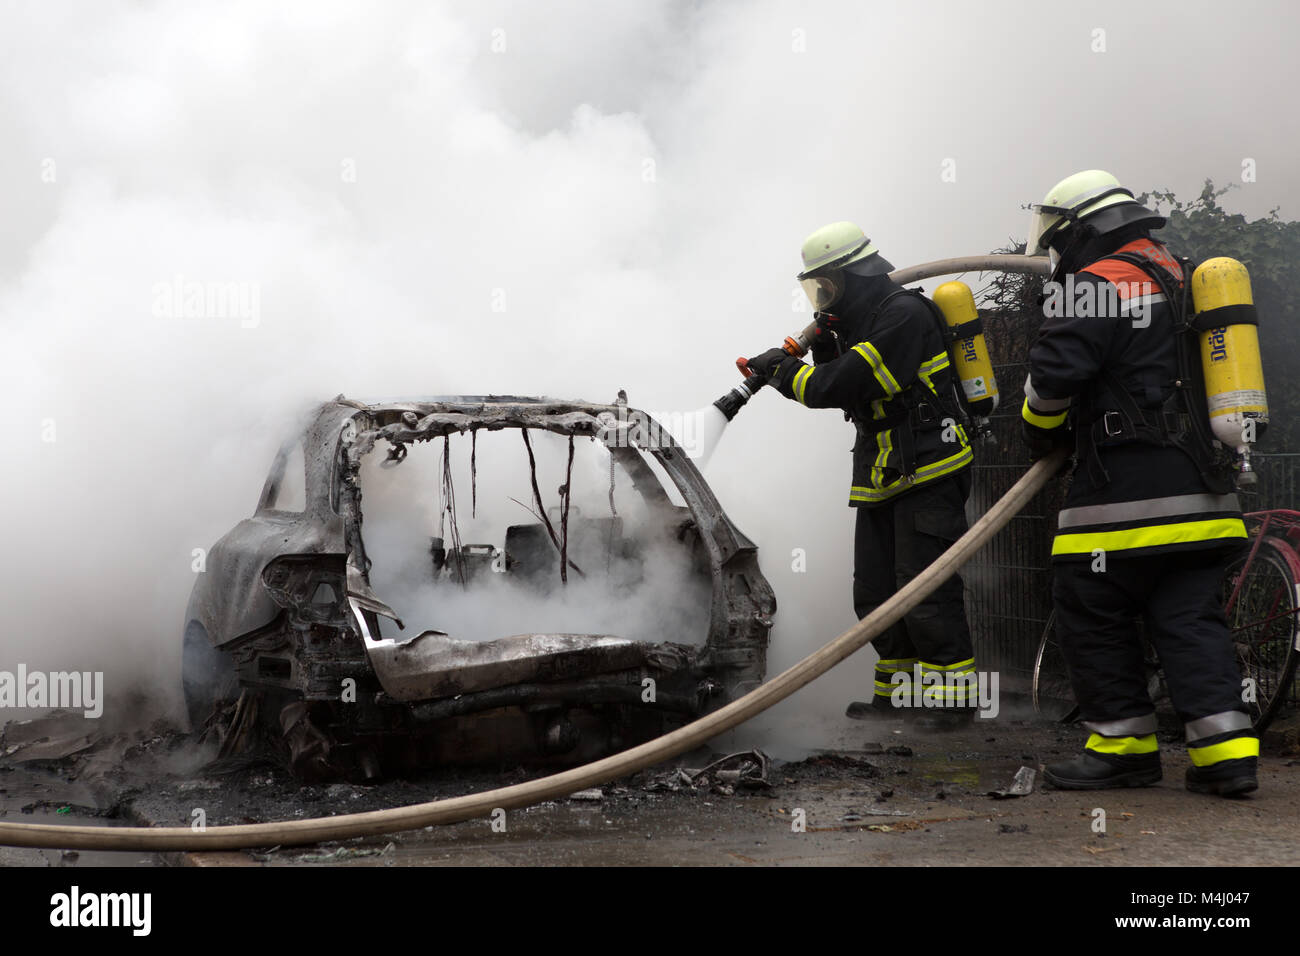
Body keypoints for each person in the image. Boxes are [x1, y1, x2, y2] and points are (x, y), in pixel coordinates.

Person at [1021, 169, 1257, 795]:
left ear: (1080, 231)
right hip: (1207, 496)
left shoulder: (1093, 285)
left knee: (1090, 609)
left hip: (1121, 500)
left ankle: (1123, 748)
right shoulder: (1187, 273)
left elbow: (1049, 386)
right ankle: (1226, 757)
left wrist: (1038, 432)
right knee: (1190, 621)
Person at [747, 222, 977, 730]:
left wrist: (780, 371)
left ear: (854, 275)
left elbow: (838, 385)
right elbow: (847, 385)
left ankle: (953, 703)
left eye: (828, 284)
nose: (823, 297)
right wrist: (826, 343)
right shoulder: (865, 318)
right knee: (874, 593)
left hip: (928, 467)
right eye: (816, 288)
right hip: (882, 470)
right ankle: (899, 697)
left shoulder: (903, 315)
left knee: (924, 590)